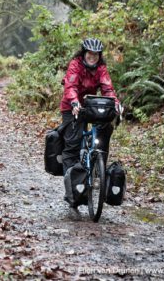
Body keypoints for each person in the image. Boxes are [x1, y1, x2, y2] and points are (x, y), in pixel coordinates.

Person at [58, 38, 121, 210]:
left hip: (91, 106)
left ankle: (98, 162)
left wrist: (115, 104)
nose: (92, 57)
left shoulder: (101, 68)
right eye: (90, 54)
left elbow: (107, 89)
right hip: (72, 107)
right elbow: (70, 86)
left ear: (99, 56)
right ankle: (73, 188)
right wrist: (73, 102)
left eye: (96, 54)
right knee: (72, 145)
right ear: (84, 53)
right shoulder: (76, 64)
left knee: (105, 129)